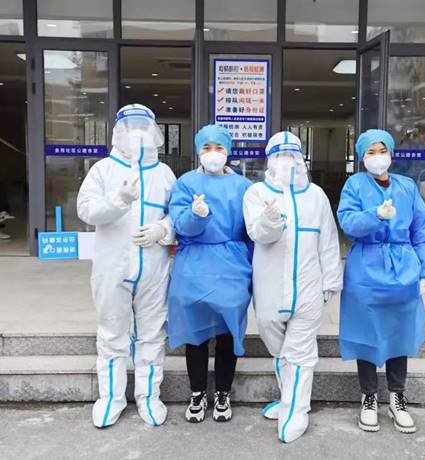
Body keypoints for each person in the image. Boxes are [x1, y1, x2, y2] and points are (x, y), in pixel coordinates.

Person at [77, 104, 176, 428]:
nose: (137, 134)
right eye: (130, 127)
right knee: (111, 333)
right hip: (112, 266)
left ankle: (149, 397)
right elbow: (85, 209)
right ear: (117, 132)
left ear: (154, 133)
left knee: (152, 334)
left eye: (143, 127)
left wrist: (162, 229)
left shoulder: (164, 173)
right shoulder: (103, 170)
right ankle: (111, 398)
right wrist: (117, 201)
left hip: (154, 267)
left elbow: (178, 213)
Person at [243, 131, 343, 443]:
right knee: (278, 347)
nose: (287, 161)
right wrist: (270, 220)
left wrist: (331, 279)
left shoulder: (316, 196)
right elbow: (258, 234)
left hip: (308, 285)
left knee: (300, 352)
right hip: (270, 287)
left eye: (293, 155)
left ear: (301, 159)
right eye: (281, 155)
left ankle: (296, 411)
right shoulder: (256, 193)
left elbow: (329, 240)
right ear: (270, 160)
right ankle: (289, 398)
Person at [337, 129, 425, 434]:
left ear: (391, 154)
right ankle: (368, 397)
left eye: (382, 151)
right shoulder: (354, 185)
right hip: (365, 268)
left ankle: (397, 397)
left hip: (403, 268)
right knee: (366, 332)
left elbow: (423, 230)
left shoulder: (407, 187)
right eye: (371, 152)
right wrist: (375, 215)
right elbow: (348, 223)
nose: (378, 157)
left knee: (399, 332)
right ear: (362, 156)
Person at [168, 124, 252, 423]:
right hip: (194, 263)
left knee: (228, 331)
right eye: (207, 148)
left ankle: (223, 392)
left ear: (228, 151)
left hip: (232, 264)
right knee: (196, 332)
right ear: (198, 151)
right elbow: (180, 225)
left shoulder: (243, 186)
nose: (213, 153)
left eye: (219, 148)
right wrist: (196, 216)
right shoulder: (186, 183)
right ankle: (198, 392)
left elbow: (252, 230)